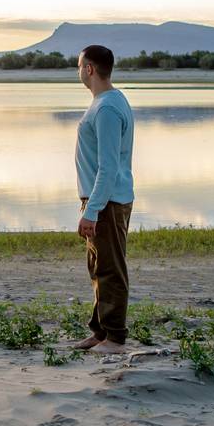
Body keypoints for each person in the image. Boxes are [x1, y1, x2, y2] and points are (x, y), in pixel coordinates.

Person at [70, 45, 135, 354]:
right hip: (102, 200)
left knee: (110, 268)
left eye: (79, 66)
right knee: (98, 267)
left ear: (90, 69)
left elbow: (108, 166)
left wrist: (92, 210)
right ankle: (100, 332)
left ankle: (115, 338)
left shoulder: (107, 108)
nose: (78, 71)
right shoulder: (107, 101)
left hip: (106, 202)